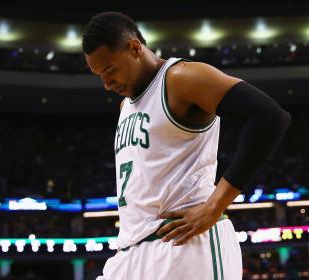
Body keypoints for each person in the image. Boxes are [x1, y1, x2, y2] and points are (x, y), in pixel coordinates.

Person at [82, 12, 290, 280]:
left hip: (184, 243)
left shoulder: (181, 78)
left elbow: (270, 117)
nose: (107, 84)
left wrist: (215, 205)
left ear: (134, 47)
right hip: (130, 251)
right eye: (99, 75)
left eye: (109, 70)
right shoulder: (126, 106)